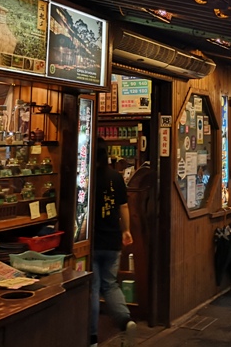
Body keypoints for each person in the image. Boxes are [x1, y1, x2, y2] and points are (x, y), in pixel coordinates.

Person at [90, 139, 136, 347]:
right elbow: (123, 208)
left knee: (93, 287)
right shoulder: (116, 178)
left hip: (91, 242)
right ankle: (125, 321)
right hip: (112, 240)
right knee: (110, 285)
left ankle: (91, 337)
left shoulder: (87, 177)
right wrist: (126, 230)